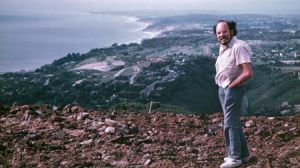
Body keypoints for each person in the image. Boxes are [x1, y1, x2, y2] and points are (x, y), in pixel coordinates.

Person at [213, 20, 253, 168]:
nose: (221, 35)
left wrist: (231, 86)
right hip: (223, 88)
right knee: (232, 121)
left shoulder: (238, 46)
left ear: (231, 31)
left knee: (229, 123)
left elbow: (248, 73)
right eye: (218, 32)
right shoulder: (223, 47)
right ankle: (244, 155)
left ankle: (234, 157)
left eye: (224, 31)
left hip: (233, 88)